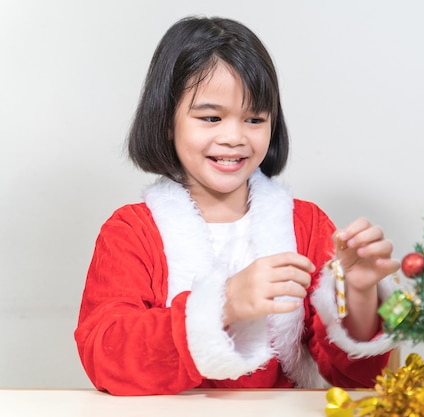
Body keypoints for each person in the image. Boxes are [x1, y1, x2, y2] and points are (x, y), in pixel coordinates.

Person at [74, 16, 400, 396]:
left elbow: (356, 378)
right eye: (211, 117)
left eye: (254, 119)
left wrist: (359, 295)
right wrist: (223, 304)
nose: (234, 137)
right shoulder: (132, 231)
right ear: (166, 122)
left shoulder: (305, 225)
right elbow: (104, 354)